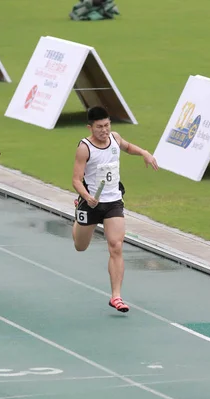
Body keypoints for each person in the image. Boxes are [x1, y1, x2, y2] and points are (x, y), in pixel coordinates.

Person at [71, 106, 159, 312]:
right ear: (90, 127)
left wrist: (144, 153)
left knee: (116, 246)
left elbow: (127, 147)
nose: (104, 130)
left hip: (113, 202)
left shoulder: (115, 138)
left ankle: (116, 296)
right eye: (99, 127)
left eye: (107, 125)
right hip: (91, 202)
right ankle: (78, 217)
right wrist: (86, 197)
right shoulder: (84, 148)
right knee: (80, 246)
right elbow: (76, 179)